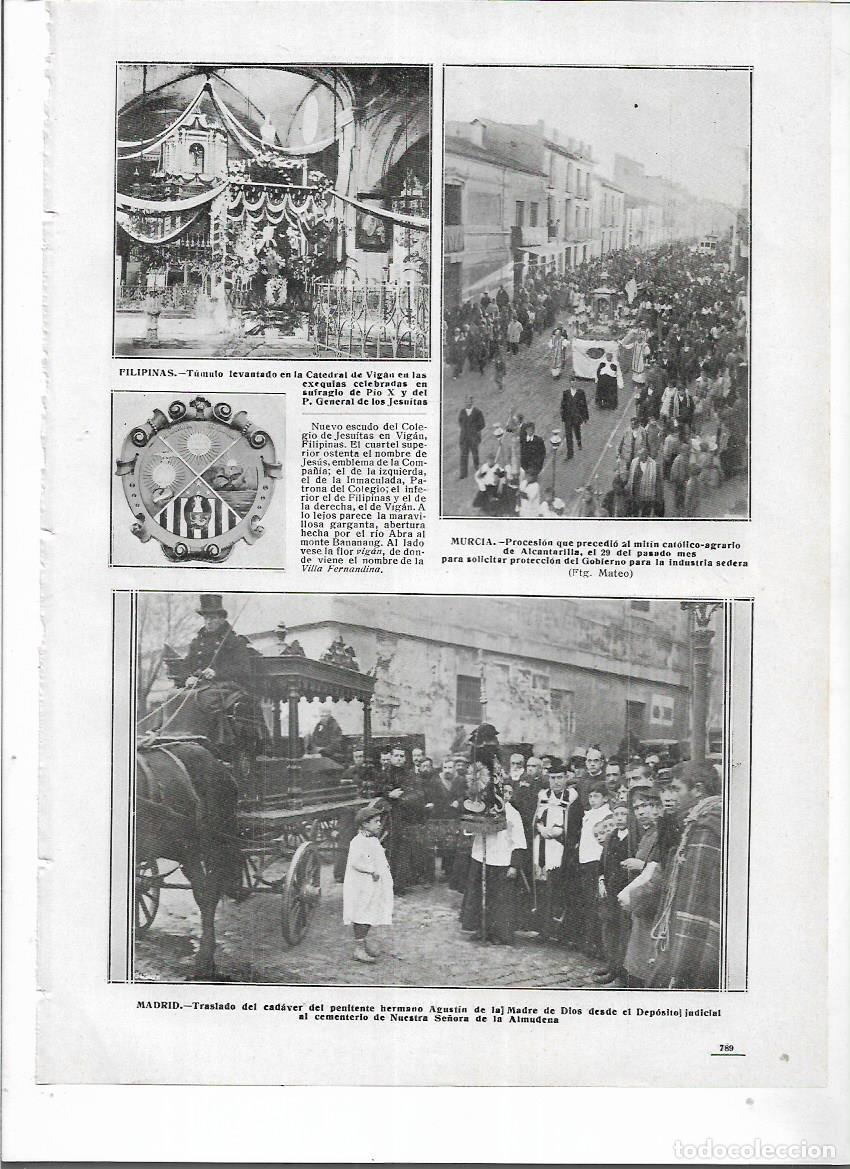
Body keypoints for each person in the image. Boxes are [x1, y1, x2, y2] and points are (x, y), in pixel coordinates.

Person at [650, 762, 722, 989]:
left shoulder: (706, 827)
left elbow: (696, 901)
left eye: (676, 789)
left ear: (698, 790)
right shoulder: (698, 821)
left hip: (694, 936)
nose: (671, 796)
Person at [460, 791, 527, 945]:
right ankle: (482, 929)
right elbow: (467, 829)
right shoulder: (480, 808)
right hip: (481, 857)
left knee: (500, 900)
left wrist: (514, 865)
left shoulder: (512, 813)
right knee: (481, 897)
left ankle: (500, 933)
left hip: (502, 859)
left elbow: (519, 840)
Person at [620, 787, 664, 987]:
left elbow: (664, 867)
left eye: (646, 805)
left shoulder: (662, 834)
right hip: (641, 899)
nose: (640, 811)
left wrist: (642, 866)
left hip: (652, 901)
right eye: (636, 807)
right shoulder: (648, 834)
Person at [343, 801, 393, 964]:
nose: (379, 824)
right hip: (362, 885)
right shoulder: (358, 842)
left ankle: (363, 943)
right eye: (376, 822)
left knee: (370, 912)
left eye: (379, 821)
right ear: (365, 824)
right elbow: (356, 862)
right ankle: (358, 948)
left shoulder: (371, 839)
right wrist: (372, 870)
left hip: (371, 884)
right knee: (362, 913)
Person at [531, 768, 574, 941]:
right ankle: (542, 929)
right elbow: (535, 819)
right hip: (540, 846)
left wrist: (558, 832)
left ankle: (556, 931)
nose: (556, 782)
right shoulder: (542, 796)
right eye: (553, 778)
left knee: (555, 889)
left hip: (558, 849)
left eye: (560, 778)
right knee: (541, 888)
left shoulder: (571, 797)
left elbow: (573, 823)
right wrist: (540, 828)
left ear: (566, 778)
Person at [596, 802, 631, 986]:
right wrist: (601, 879)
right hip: (610, 889)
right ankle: (611, 965)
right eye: (616, 814)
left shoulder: (632, 838)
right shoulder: (611, 837)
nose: (619, 818)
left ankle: (621, 971)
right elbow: (602, 862)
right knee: (609, 928)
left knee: (623, 930)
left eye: (623, 814)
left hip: (624, 890)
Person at [577, 782, 611, 962]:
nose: (592, 800)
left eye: (596, 796)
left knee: (597, 904)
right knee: (589, 903)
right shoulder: (589, 815)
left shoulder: (606, 815)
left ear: (605, 798)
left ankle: (598, 944)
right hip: (586, 861)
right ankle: (589, 942)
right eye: (590, 796)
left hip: (597, 861)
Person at [560, 377, 589, 459]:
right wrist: (563, 417)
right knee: (568, 435)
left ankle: (579, 442)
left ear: (576, 383)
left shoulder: (581, 393)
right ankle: (570, 453)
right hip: (568, 418)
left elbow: (584, 406)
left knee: (577, 431)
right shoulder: (565, 393)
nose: (573, 384)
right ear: (570, 384)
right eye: (571, 383)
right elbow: (563, 406)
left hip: (577, 417)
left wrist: (585, 417)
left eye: (574, 383)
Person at [458, 396, 485, 480]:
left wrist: (474, 430)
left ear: (472, 402)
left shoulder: (477, 412)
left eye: (469, 402)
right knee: (463, 455)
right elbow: (460, 421)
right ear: (464, 402)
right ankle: (463, 473)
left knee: (475, 454)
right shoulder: (462, 412)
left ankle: (477, 468)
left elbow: (482, 424)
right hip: (464, 438)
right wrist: (464, 430)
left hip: (474, 437)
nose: (468, 403)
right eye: (466, 402)